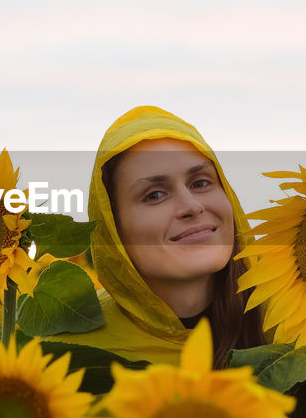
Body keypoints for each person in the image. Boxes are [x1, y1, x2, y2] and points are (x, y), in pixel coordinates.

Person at [59, 105, 263, 368]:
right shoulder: (70, 355)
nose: (192, 206)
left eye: (200, 183)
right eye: (155, 195)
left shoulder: (290, 322)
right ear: (113, 229)